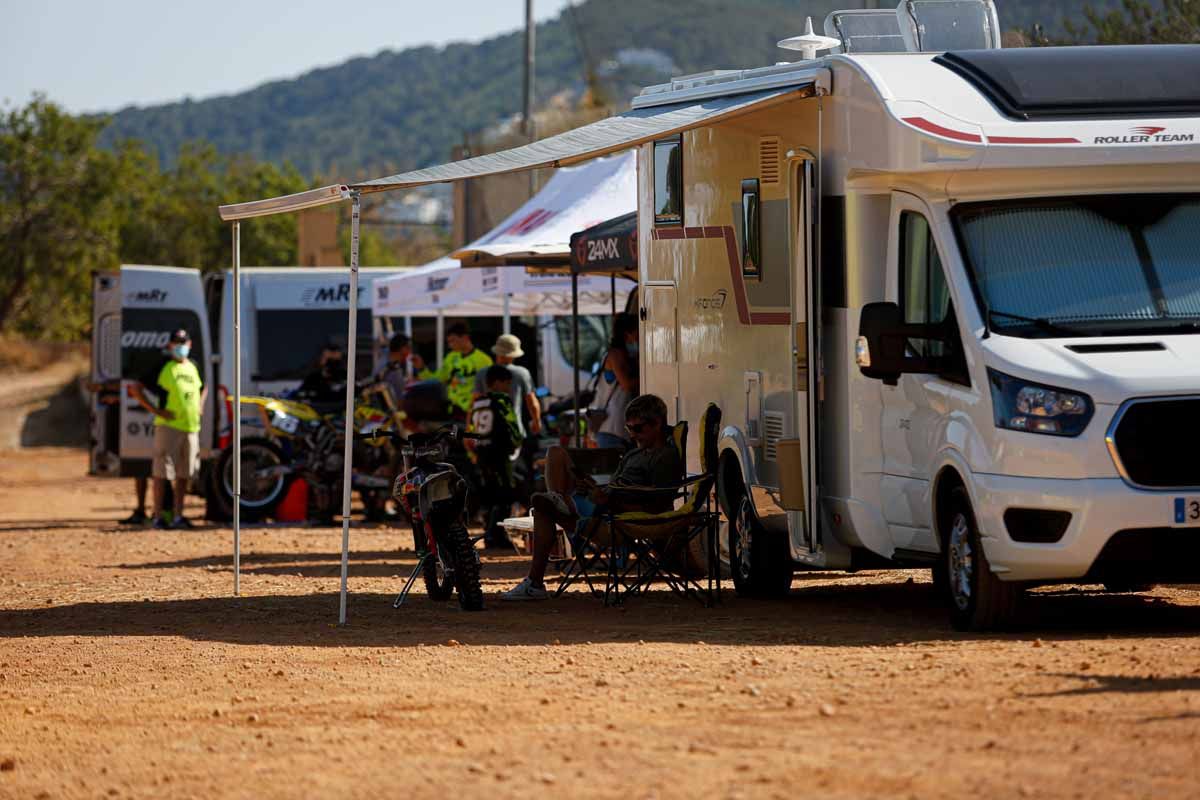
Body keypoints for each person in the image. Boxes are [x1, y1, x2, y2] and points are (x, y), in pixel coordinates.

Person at [501, 394, 681, 601]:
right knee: (555, 455)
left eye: (638, 429)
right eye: (629, 429)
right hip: (605, 509)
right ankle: (558, 500)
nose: (633, 435)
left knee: (543, 505)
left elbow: (657, 504)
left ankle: (535, 582)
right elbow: (617, 487)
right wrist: (595, 490)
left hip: (619, 522)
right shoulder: (635, 454)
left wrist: (608, 501)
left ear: (657, 424)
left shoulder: (664, 457)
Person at [130, 329, 206, 530]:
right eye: (176, 343)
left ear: (189, 344)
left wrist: (200, 406)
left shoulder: (194, 366)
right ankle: (158, 516)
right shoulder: (164, 366)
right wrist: (156, 410)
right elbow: (135, 388)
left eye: (183, 342)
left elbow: (203, 387)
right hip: (168, 428)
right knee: (162, 473)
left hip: (191, 427)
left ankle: (178, 516)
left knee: (184, 474)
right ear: (170, 345)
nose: (180, 346)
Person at [470, 365, 525, 549]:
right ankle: (496, 535)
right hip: (499, 452)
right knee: (505, 493)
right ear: (497, 382)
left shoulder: (479, 402)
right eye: (507, 383)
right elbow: (510, 426)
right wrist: (517, 442)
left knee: (490, 494)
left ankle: (490, 532)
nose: (508, 388)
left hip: (482, 452)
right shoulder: (501, 400)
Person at [472, 333, 542, 438]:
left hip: (485, 431)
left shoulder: (482, 373)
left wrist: (470, 428)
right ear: (513, 355)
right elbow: (532, 402)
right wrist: (536, 421)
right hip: (512, 431)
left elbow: (474, 402)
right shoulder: (522, 373)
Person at [420, 322, 492, 417]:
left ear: (465, 338)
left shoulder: (484, 360)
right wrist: (421, 368)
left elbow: (489, 388)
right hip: (452, 409)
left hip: (473, 410)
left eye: (453, 341)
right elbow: (438, 379)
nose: (450, 345)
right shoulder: (451, 357)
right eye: (449, 342)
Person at [593, 313, 639, 450]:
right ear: (628, 333)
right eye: (637, 332)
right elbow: (626, 384)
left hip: (618, 429)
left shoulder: (624, 354)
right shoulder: (615, 355)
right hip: (612, 429)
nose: (638, 337)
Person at [376, 333, 426, 404]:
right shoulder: (393, 369)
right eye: (409, 348)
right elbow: (401, 400)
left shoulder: (384, 360)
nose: (410, 352)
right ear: (403, 349)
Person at [298, 341, 347, 405]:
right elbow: (301, 396)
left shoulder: (347, 376)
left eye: (335, 361)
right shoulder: (313, 378)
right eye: (328, 360)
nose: (331, 364)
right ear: (321, 359)